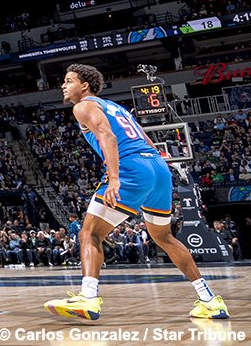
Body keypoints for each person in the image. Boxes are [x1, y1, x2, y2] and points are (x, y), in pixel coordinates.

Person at [44, 64, 229, 320]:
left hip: (132, 168)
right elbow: (148, 141)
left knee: (89, 234)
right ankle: (210, 300)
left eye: (68, 80)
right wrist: (157, 169)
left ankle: (87, 298)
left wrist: (115, 178)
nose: (63, 85)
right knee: (164, 237)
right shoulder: (118, 108)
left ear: (84, 86)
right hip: (158, 167)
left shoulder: (83, 106)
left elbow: (107, 136)